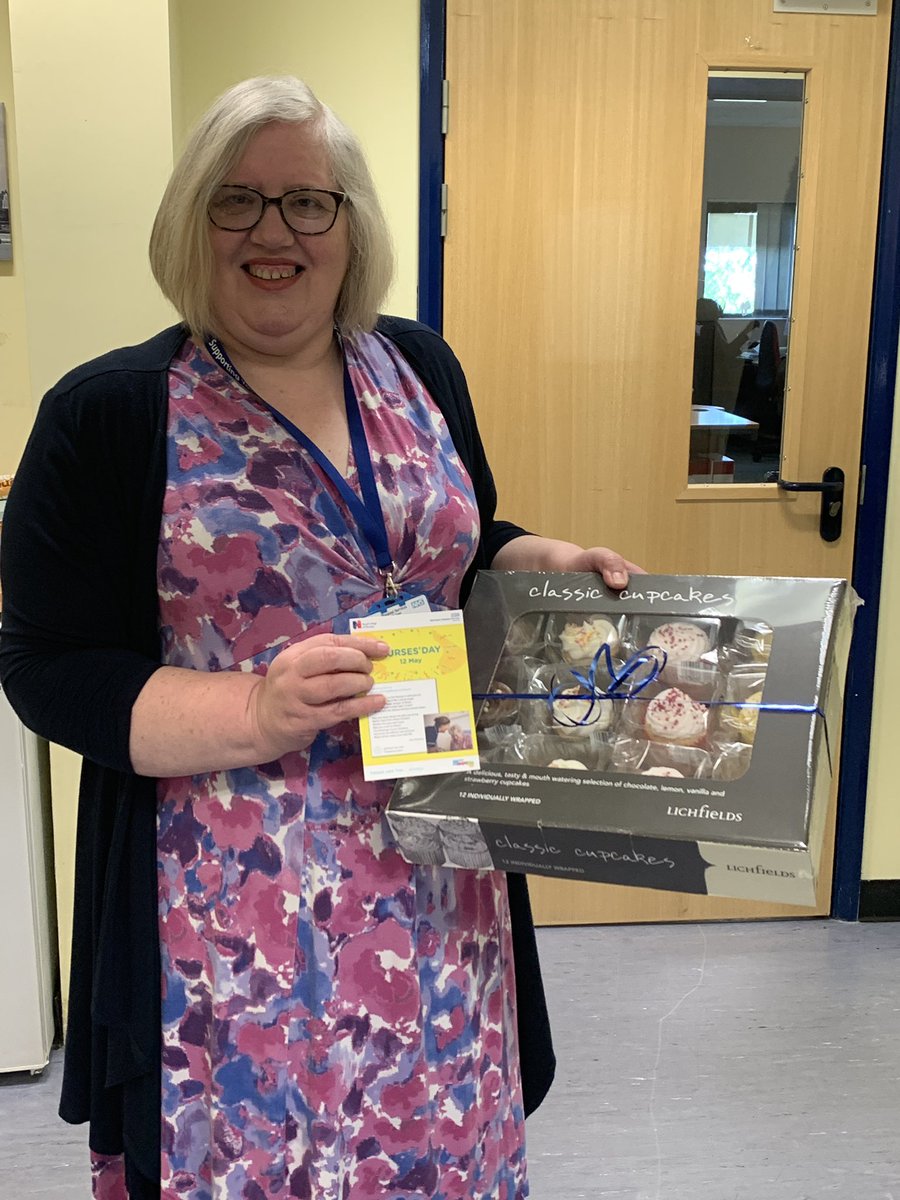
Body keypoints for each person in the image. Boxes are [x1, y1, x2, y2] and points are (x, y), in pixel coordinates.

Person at [0, 76, 640, 1200]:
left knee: (438, 1150)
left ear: (352, 226)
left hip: (439, 874)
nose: (274, 232)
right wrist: (252, 709)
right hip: (228, 908)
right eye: (236, 201)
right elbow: (44, 666)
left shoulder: (419, 369)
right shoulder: (110, 412)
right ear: (191, 221)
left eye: (308, 202)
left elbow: (447, 550)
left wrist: (527, 560)